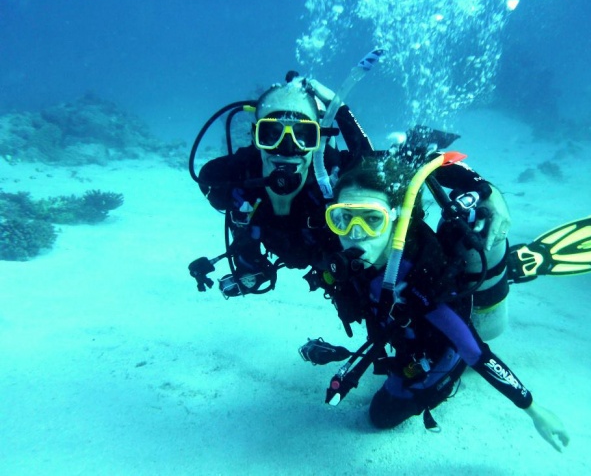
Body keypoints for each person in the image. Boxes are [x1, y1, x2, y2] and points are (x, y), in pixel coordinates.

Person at [306, 156, 570, 452]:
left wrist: (534, 410)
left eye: (372, 218)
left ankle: (504, 272)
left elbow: (475, 352)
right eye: (343, 218)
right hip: (401, 335)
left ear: (397, 219)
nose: (355, 233)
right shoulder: (345, 251)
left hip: (436, 351)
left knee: (381, 416)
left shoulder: (420, 282)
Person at [190, 74, 512, 317]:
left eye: (304, 135)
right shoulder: (230, 180)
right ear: (255, 135)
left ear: (319, 140)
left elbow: (400, 165)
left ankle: (492, 273)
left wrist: (484, 189)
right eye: (271, 134)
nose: (287, 149)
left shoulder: (332, 175)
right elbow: (218, 191)